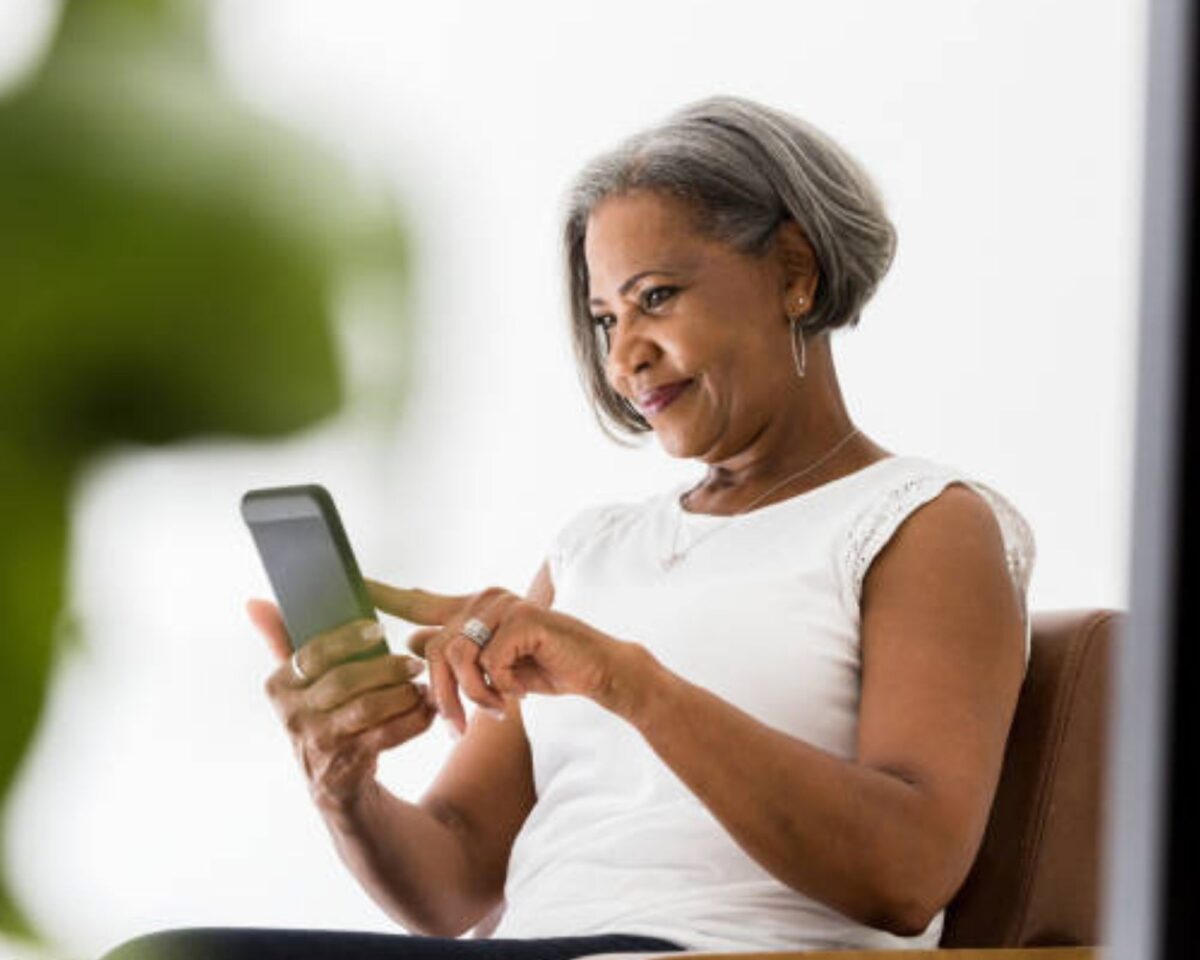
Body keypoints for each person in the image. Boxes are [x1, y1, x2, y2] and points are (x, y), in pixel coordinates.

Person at [102, 95, 1034, 959]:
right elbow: (453, 879)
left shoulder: (921, 522)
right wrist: (342, 787)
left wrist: (626, 680)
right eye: (604, 315)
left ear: (794, 271)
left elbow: (907, 874)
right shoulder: (594, 550)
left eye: (658, 296)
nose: (626, 354)